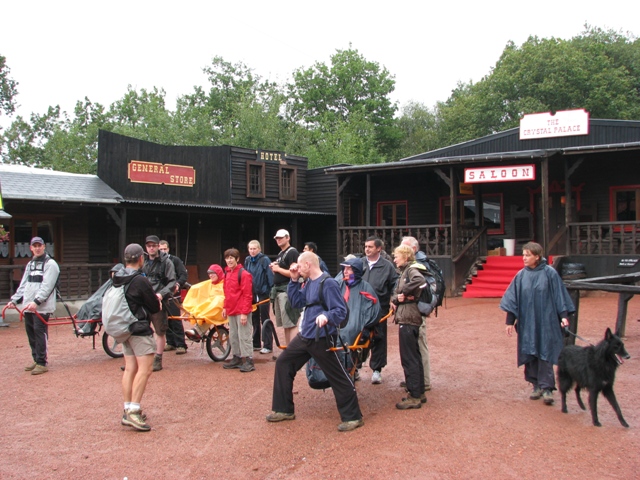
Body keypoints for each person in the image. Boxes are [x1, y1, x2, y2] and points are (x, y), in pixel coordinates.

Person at [266, 251, 364, 432]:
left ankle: (353, 417)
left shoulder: (328, 283)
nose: (296, 268)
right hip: (306, 335)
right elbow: (296, 302)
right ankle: (284, 409)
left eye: (299, 265)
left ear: (308, 265)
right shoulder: (308, 282)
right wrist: (294, 281)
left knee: (338, 375)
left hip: (322, 337)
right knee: (283, 363)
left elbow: (340, 311)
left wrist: (326, 315)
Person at [500, 241, 574, 405]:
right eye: (523, 255)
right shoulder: (520, 276)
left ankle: (547, 387)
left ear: (537, 256)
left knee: (545, 351)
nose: (524, 258)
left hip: (546, 320)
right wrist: (509, 322)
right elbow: (513, 300)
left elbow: (559, 296)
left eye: (527, 255)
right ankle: (536, 385)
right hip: (527, 322)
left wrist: (563, 316)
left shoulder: (550, 274)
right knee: (530, 351)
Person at [113, 243, 162, 431]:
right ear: (140, 258)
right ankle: (134, 410)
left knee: (130, 369)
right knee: (145, 369)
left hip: (124, 328)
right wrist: (156, 299)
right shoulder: (140, 280)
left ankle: (127, 408)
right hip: (139, 329)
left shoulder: (117, 277)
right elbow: (153, 307)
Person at [6, 236, 60, 375]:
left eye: (39, 245)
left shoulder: (50, 264)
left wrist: (36, 302)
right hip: (28, 306)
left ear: (44, 247)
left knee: (39, 332)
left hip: (41, 307)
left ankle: (42, 362)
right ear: (31, 248)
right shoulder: (30, 264)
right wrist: (15, 300)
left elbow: (47, 286)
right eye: (34, 246)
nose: (37, 248)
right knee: (31, 333)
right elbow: (24, 284)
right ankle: (36, 359)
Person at [391, 244, 427, 409]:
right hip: (411, 317)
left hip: (408, 318)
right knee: (415, 355)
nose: (394, 259)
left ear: (405, 257)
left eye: (397, 256)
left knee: (409, 357)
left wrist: (402, 294)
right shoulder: (407, 270)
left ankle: (414, 396)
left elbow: (420, 281)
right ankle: (419, 392)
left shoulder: (411, 270)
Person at [361, 236, 398, 384]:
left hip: (379, 308)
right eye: (365, 246)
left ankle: (377, 369)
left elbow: (395, 284)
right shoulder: (360, 264)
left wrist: (394, 299)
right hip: (360, 307)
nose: (367, 249)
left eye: (370, 247)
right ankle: (356, 366)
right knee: (358, 336)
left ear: (378, 249)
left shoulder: (387, 266)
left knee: (378, 337)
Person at [336, 257, 380, 373]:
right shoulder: (339, 285)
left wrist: (365, 325)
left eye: (349, 269)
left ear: (356, 271)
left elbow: (373, 310)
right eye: (344, 268)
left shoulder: (365, 288)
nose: (345, 271)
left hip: (355, 324)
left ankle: (348, 368)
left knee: (347, 333)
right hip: (338, 322)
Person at [401, 236, 432, 392]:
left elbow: (423, 285)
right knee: (413, 348)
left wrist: (404, 293)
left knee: (419, 345)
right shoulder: (413, 265)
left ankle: (423, 382)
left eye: (403, 248)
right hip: (412, 311)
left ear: (412, 250)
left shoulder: (418, 266)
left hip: (416, 312)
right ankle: (415, 380)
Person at [142, 235, 176, 372]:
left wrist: (161, 294)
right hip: (143, 301)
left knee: (159, 331)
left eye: (154, 245)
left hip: (158, 302)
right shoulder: (142, 261)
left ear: (157, 246)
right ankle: (140, 359)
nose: (151, 248)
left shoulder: (166, 262)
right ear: (146, 247)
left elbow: (172, 281)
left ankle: (158, 359)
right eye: (149, 246)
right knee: (139, 331)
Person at [222, 248, 255, 372]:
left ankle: (249, 360)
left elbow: (247, 295)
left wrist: (244, 313)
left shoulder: (244, 274)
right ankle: (237, 357)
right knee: (234, 335)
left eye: (231, 258)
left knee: (244, 336)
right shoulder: (227, 274)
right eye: (227, 258)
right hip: (231, 309)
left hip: (241, 310)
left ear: (237, 259)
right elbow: (226, 292)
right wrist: (225, 306)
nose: (229, 260)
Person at [269, 229, 301, 346]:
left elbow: (294, 273)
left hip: (286, 290)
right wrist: (274, 269)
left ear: (288, 238)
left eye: (281, 238)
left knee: (290, 321)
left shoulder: (292, 252)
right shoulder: (280, 254)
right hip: (278, 290)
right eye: (277, 238)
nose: (278, 240)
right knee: (285, 323)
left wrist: (278, 269)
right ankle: (288, 349)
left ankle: (292, 349)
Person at [76, 263, 124, 335]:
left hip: (110, 301)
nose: (113, 274)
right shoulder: (110, 281)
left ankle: (87, 328)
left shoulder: (122, 283)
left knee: (96, 307)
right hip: (102, 298)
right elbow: (100, 292)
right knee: (87, 304)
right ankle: (81, 325)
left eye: (115, 273)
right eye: (112, 273)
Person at [244, 240, 274, 354]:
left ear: (259, 249)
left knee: (265, 318)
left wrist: (270, 291)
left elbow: (270, 276)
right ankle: (256, 343)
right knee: (254, 318)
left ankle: (268, 345)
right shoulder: (247, 260)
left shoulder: (264, 260)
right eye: (250, 249)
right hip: (252, 293)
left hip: (263, 293)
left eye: (254, 249)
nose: (252, 251)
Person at [158, 240, 188, 355]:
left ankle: (181, 344)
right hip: (162, 294)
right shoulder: (157, 261)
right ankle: (171, 342)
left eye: (164, 249)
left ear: (168, 249)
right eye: (160, 249)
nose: (163, 251)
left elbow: (183, 275)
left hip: (174, 295)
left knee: (175, 319)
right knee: (165, 320)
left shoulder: (175, 260)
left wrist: (178, 284)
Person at [184, 264, 225, 340]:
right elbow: (197, 288)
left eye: (213, 273)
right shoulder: (210, 283)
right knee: (204, 311)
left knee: (211, 311)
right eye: (209, 274)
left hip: (221, 310)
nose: (211, 276)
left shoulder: (225, 283)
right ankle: (197, 331)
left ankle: (197, 331)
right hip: (210, 308)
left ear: (218, 273)